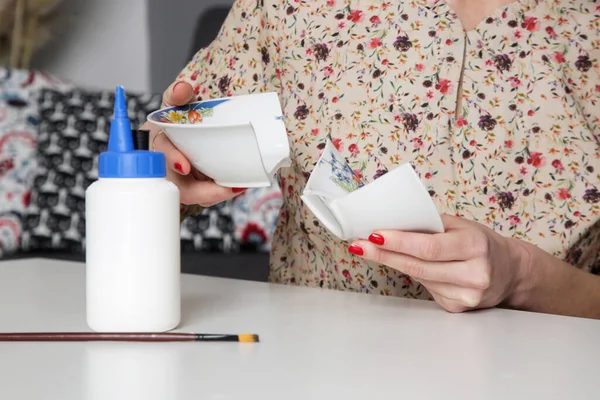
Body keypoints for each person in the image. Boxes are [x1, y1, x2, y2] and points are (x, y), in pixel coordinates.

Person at [144, 0, 600, 319]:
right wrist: (166, 171)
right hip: (311, 370)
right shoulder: (288, 8)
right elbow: (167, 165)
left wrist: (521, 277)